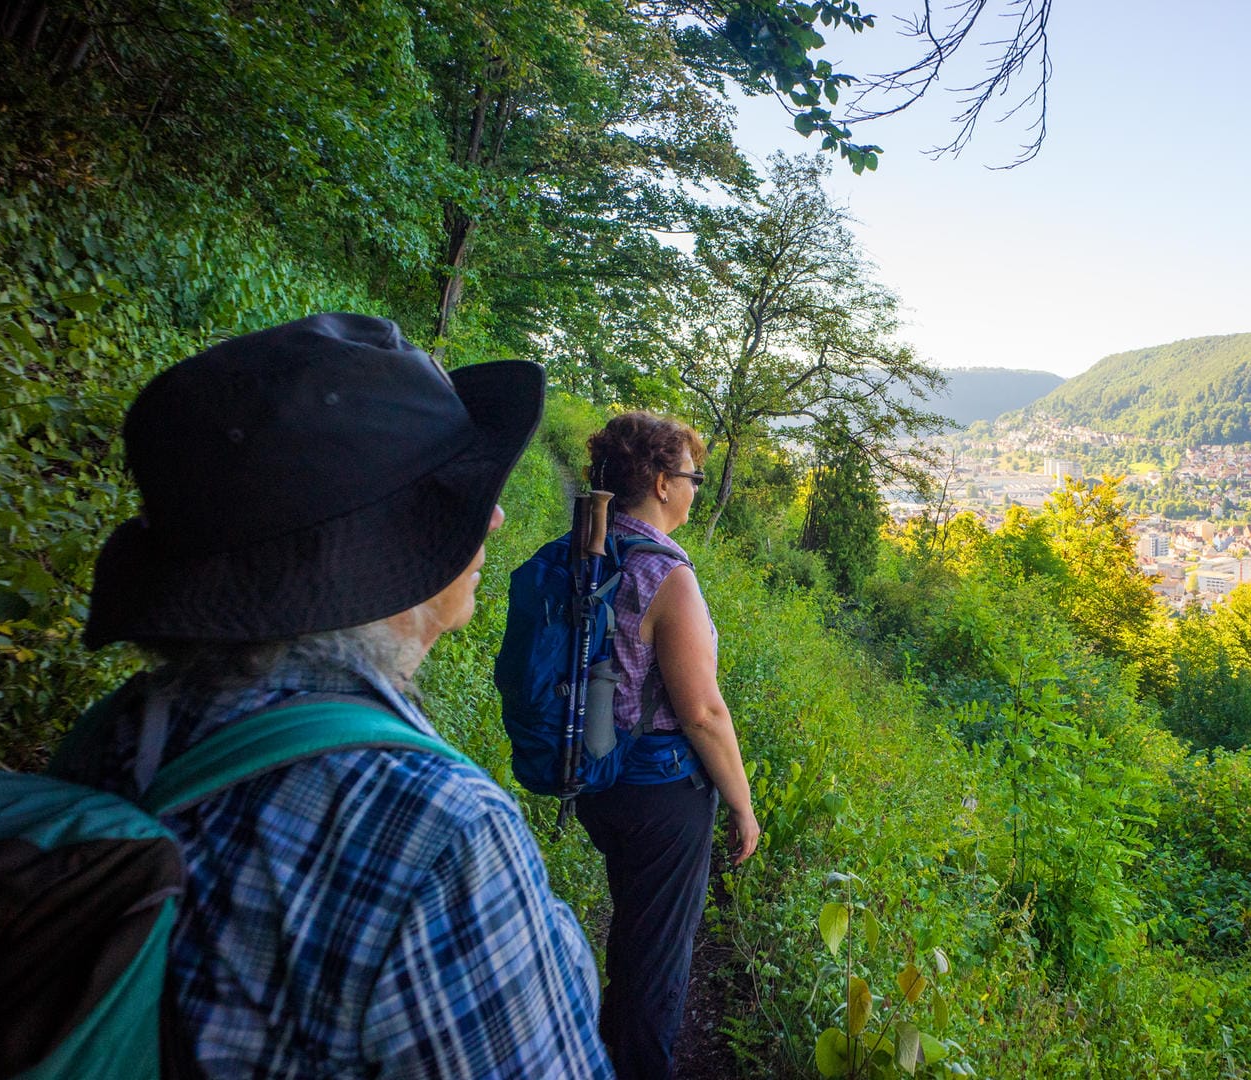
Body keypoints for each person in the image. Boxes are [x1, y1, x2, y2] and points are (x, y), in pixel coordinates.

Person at [54, 314, 613, 1077]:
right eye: (448, 502)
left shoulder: (120, 731)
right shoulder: (437, 831)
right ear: (379, 559)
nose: (493, 516)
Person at [575, 411, 760, 1078]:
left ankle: (600, 1055)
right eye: (691, 477)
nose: (696, 488)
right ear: (660, 482)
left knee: (634, 933)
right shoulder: (668, 575)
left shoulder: (594, 547)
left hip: (600, 777)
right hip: (661, 793)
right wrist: (743, 804)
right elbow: (704, 712)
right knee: (659, 966)